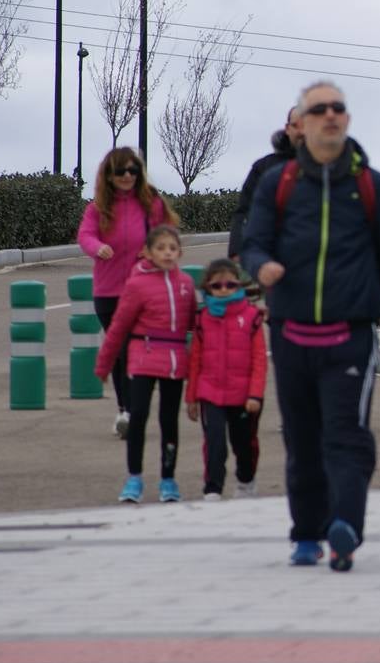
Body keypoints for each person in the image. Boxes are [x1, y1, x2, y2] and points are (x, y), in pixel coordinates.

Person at [242, 81, 380, 573]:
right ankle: (305, 533)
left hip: (350, 337)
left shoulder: (371, 186)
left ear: (347, 119)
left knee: (346, 437)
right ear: (301, 123)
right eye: (320, 109)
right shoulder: (280, 183)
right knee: (301, 439)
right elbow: (253, 242)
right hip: (291, 335)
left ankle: (346, 527)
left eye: (339, 107)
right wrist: (262, 265)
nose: (331, 115)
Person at [77, 147, 175, 439]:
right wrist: (98, 247)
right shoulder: (98, 208)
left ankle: (133, 410)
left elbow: (166, 232)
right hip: (107, 292)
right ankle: (126, 410)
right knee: (121, 351)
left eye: (133, 170)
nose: (127, 176)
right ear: (110, 174)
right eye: (121, 171)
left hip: (143, 289)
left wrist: (154, 250)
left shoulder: (150, 203)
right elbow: (85, 235)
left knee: (133, 348)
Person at [95, 225, 196, 504]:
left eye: (172, 248)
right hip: (142, 358)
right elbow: (118, 327)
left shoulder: (186, 284)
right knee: (138, 416)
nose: (167, 253)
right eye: (161, 248)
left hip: (175, 361)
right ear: (147, 253)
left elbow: (196, 327)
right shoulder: (137, 284)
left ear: (180, 252)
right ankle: (134, 478)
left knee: (169, 421)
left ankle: (168, 479)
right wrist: (104, 364)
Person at [185, 258, 265, 501]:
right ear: (208, 288)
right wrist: (192, 397)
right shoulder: (203, 319)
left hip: (243, 395)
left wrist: (255, 394)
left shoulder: (252, 317)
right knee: (214, 443)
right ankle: (213, 487)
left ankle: (246, 480)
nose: (223, 290)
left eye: (229, 285)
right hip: (210, 393)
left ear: (238, 286)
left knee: (244, 444)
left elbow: (259, 359)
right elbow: (196, 360)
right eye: (217, 286)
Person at [228, 107, 301, 259]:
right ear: (288, 128)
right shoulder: (263, 167)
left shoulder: (332, 168)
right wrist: (237, 250)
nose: (302, 131)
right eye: (297, 125)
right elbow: (244, 211)